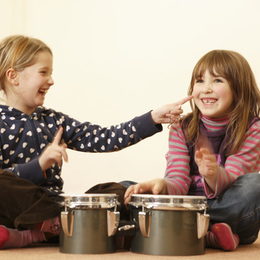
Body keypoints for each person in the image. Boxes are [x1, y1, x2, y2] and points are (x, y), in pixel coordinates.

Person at [0, 34, 192, 249]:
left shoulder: (54, 121)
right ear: (13, 76)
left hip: (57, 205)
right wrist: (38, 166)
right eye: (43, 72)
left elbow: (105, 137)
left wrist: (152, 118)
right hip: (19, 209)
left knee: (121, 190)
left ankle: (51, 229)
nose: (51, 80)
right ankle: (68, 226)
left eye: (51, 73)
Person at [124, 49, 260, 251]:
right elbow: (178, 180)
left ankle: (179, 227)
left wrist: (213, 174)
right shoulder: (182, 126)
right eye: (200, 81)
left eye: (217, 81)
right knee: (125, 188)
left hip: (229, 212)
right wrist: (162, 185)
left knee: (254, 184)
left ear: (239, 89)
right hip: (186, 204)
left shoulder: (253, 128)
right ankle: (205, 233)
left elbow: (235, 182)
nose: (206, 89)